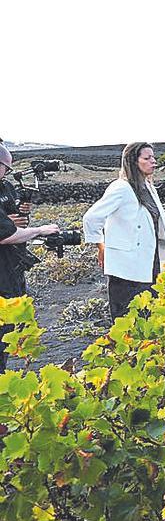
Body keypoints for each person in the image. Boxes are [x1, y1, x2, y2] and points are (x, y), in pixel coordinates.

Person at [82, 142, 165, 320]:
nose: (154, 161)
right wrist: (101, 247)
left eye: (153, 157)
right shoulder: (122, 188)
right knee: (127, 318)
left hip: (147, 262)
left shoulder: (147, 187)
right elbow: (92, 218)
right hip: (126, 268)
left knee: (148, 313)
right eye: (147, 158)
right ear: (133, 161)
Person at [0, 144, 59, 369]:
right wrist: (39, 231)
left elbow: (12, 225)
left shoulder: (6, 188)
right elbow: (5, 236)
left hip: (10, 266)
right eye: (5, 167)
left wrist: (20, 219)